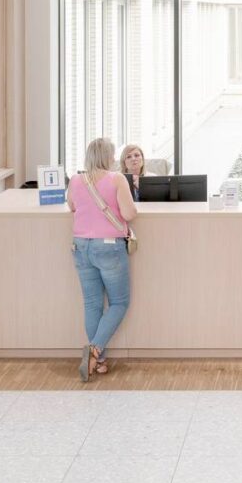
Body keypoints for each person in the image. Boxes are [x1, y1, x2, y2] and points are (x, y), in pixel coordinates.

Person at [65, 138, 138, 382]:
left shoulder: (76, 180)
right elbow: (129, 214)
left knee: (92, 304)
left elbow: (72, 206)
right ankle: (95, 350)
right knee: (119, 302)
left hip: (81, 246)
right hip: (108, 247)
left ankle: (100, 362)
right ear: (108, 157)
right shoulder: (117, 179)